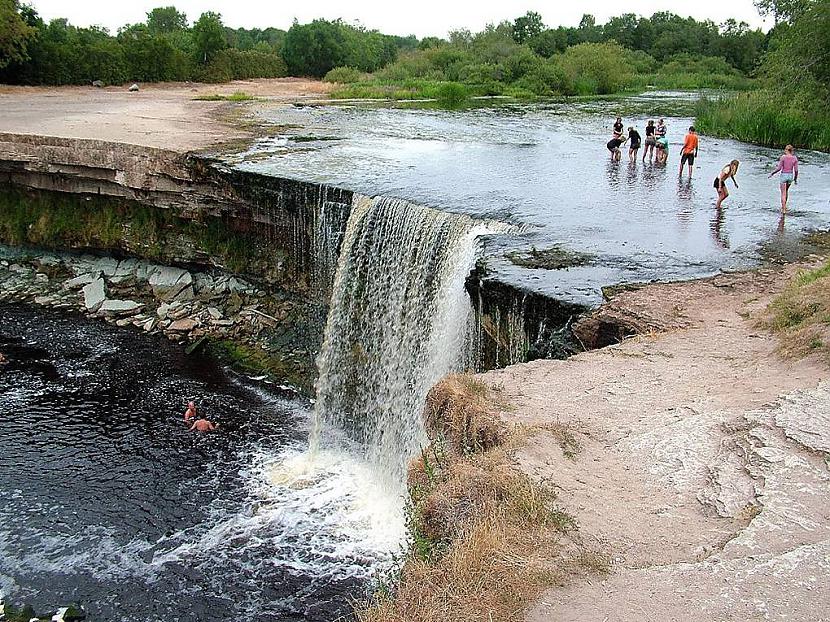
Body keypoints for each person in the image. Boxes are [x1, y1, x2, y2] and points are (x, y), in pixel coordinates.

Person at [768, 144, 799, 212]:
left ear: (786, 150)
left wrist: (772, 173)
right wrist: (795, 179)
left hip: (784, 176)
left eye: (785, 149)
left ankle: (783, 209)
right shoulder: (795, 158)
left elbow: (779, 168)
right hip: (790, 176)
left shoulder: (783, 157)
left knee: (783, 193)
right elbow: (796, 170)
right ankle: (785, 206)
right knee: (786, 191)